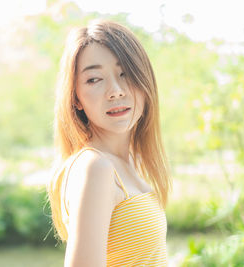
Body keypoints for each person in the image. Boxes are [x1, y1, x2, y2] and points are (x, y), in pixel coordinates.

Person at [46, 19, 172, 267]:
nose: (115, 91)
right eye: (94, 79)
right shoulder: (96, 168)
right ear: (76, 98)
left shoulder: (130, 162)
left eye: (125, 73)